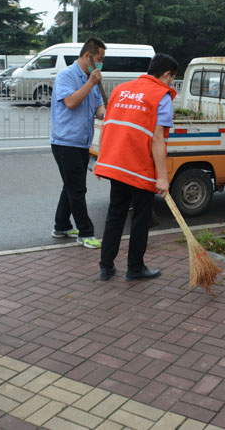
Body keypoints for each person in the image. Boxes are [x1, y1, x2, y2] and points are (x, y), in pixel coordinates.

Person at [93, 54, 179, 281]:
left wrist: (102, 159)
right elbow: (157, 139)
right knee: (140, 218)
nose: (171, 83)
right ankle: (135, 268)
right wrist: (162, 178)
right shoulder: (161, 96)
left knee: (115, 214)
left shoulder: (121, 90)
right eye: (172, 78)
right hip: (139, 167)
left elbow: (108, 125)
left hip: (116, 164)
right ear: (167, 74)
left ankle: (106, 267)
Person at [49, 37, 106, 249]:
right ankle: (86, 233)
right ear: (87, 56)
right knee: (77, 189)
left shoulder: (92, 79)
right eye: (99, 58)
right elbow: (71, 102)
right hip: (65, 142)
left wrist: (108, 113)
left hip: (82, 142)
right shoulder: (67, 76)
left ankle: (61, 225)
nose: (101, 63)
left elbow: (98, 108)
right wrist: (91, 83)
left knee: (71, 186)